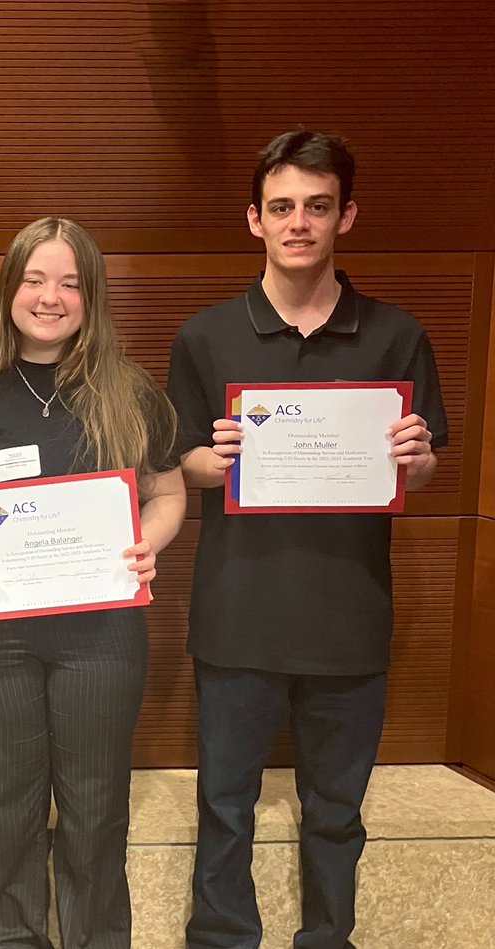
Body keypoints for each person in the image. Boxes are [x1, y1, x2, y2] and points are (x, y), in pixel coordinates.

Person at [167, 130, 447, 949]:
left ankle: (329, 937)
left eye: (317, 207)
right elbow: (178, 459)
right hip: (236, 615)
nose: (299, 223)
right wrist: (209, 464)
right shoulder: (205, 336)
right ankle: (221, 939)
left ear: (346, 216)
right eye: (282, 207)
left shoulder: (396, 334)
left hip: (350, 618)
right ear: (253, 219)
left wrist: (418, 461)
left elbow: (418, 470)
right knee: (224, 802)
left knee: (336, 810)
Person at [0, 217, 187, 949]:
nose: (50, 297)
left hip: (101, 636)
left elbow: (170, 493)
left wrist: (143, 546)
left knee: (96, 803)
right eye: (34, 279)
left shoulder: (130, 391)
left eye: (68, 282)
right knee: (8, 801)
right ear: (9, 289)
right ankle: (5, 936)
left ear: (90, 296)